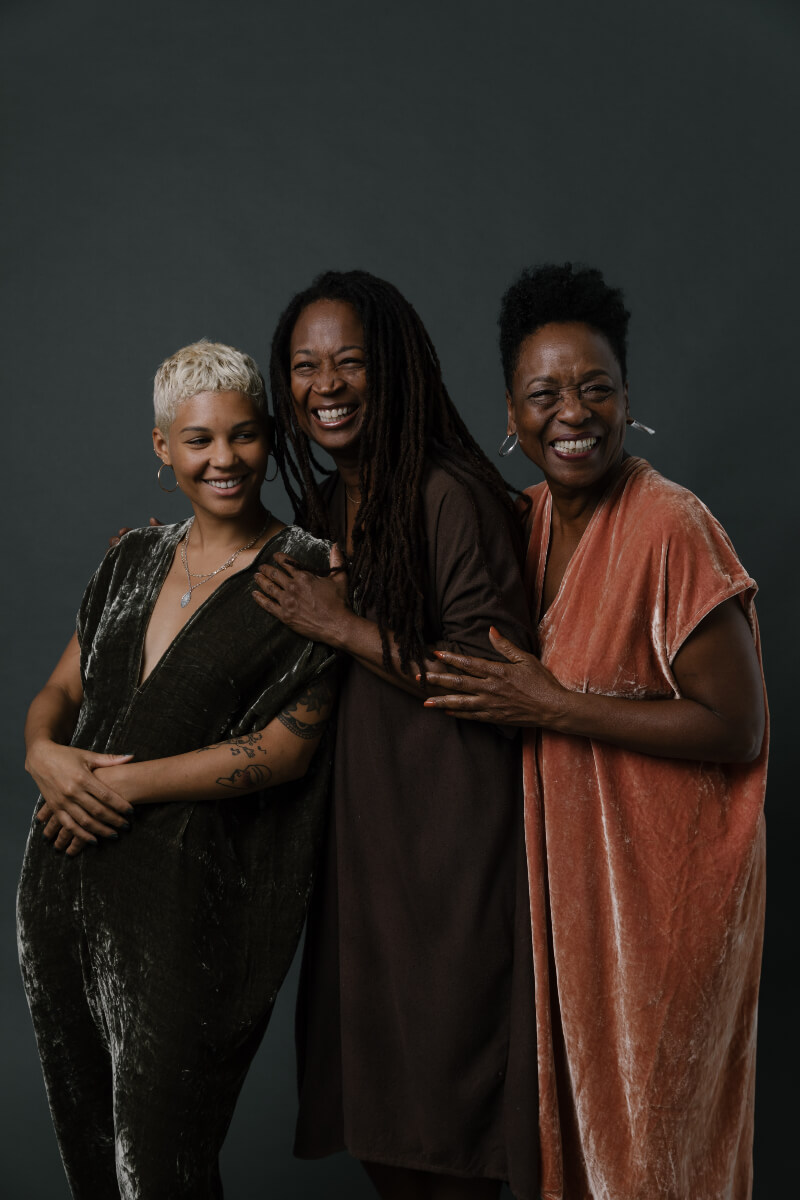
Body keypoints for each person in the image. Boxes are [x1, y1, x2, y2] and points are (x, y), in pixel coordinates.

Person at [422, 264, 768, 1199]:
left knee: (655, 1158)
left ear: (626, 398)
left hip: (668, 908)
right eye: (545, 394)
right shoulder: (522, 522)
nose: (571, 413)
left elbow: (738, 728)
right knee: (570, 1153)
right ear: (510, 410)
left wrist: (553, 706)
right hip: (572, 902)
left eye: (595, 388)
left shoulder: (670, 526)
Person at [17, 340, 338, 1199]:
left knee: (163, 1163)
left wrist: (120, 783)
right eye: (198, 441)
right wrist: (40, 752)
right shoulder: (131, 558)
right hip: (61, 895)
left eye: (242, 436)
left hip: (187, 909)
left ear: (269, 437)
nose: (223, 459)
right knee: (90, 1153)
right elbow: (59, 688)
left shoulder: (309, 573)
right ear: (164, 448)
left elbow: (285, 751)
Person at [252, 270, 539, 1200]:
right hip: (365, 861)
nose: (325, 386)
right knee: (385, 1131)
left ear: (397, 369)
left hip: (453, 863)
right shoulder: (331, 508)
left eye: (349, 362)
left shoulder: (451, 495)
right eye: (304, 367)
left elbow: (490, 682)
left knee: (449, 1139)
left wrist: (340, 624)